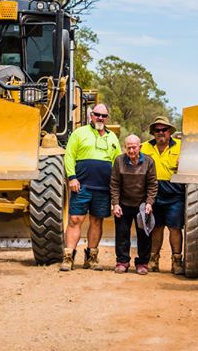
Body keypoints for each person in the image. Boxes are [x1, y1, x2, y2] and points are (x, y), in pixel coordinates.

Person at [61, 103, 121, 271]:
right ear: (90, 116)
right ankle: (68, 257)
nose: (100, 118)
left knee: (97, 221)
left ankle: (92, 257)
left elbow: (118, 163)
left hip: (103, 188)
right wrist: (72, 177)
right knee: (75, 220)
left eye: (103, 115)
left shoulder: (113, 138)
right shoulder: (79, 133)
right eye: (97, 114)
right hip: (81, 186)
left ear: (107, 118)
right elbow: (69, 156)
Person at [141, 116, 185, 275]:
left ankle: (177, 261)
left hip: (175, 194)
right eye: (157, 130)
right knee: (156, 227)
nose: (161, 133)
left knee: (175, 228)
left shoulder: (182, 147)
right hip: (152, 195)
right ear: (153, 132)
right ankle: (153, 259)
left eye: (164, 130)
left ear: (169, 132)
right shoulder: (144, 147)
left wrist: (186, 161)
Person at [110, 135, 158, 275]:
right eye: (128, 147)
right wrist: (115, 204)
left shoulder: (149, 161)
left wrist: (149, 203)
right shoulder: (119, 161)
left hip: (142, 205)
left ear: (140, 147)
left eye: (134, 147)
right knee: (122, 234)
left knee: (144, 235)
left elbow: (152, 185)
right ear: (125, 147)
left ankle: (142, 263)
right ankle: (122, 261)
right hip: (124, 203)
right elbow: (114, 184)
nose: (131, 150)